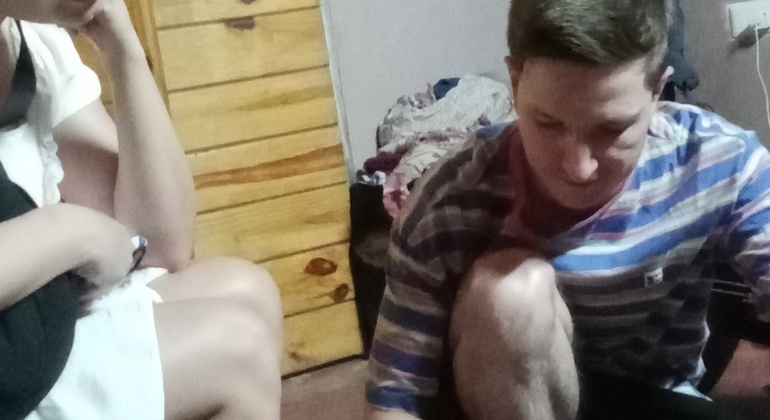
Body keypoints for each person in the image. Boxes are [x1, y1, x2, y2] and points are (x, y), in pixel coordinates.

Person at [365, 0, 769, 419]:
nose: (579, 168)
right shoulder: (449, 200)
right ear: (515, 81)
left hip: (651, 393)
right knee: (511, 293)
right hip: (498, 400)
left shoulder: (722, 161)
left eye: (612, 129)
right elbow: (395, 398)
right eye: (548, 123)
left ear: (657, 90)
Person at [0, 0, 282, 419]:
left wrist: (122, 48)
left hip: (35, 313)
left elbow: (156, 242)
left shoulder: (34, 41)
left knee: (249, 289)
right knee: (240, 351)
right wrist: (75, 232)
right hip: (14, 353)